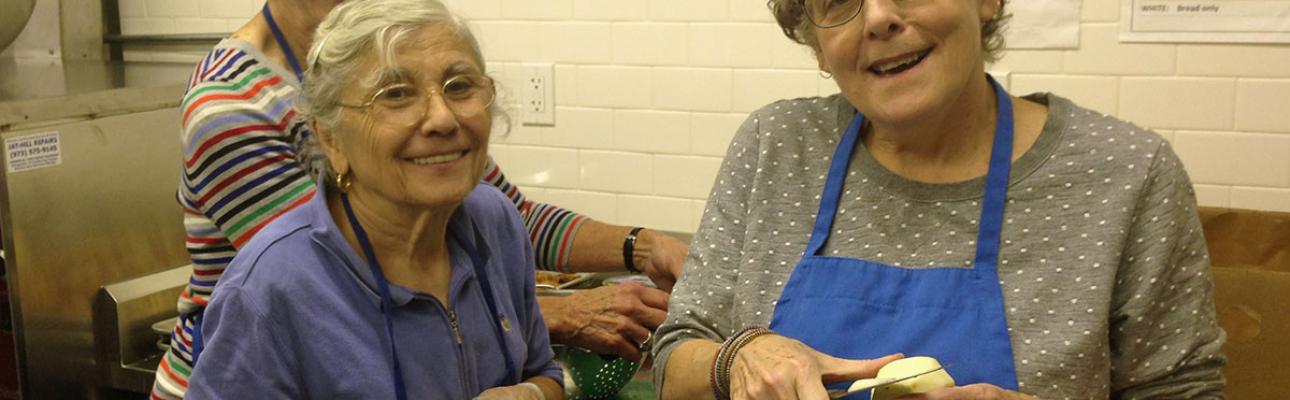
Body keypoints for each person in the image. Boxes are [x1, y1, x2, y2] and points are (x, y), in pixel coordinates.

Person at [652, 0, 1227, 399]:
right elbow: (677, 355)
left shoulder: (1124, 173)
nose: (878, 17)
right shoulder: (775, 147)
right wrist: (737, 359)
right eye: (838, 0)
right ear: (818, 47)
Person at [154, 0, 684, 398]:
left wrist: (642, 246)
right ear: (329, 136)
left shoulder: (481, 215)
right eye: (394, 94)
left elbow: (508, 217)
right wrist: (567, 311)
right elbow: (340, 280)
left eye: (460, 87)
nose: (440, 118)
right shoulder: (228, 110)